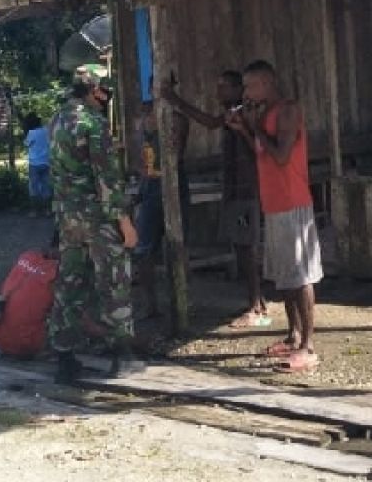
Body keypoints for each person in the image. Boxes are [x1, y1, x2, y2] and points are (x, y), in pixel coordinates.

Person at [226, 59, 323, 373]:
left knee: (301, 275)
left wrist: (254, 128)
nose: (247, 91)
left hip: (293, 202)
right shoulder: (264, 114)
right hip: (274, 203)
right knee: (285, 276)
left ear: (267, 83)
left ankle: (308, 347)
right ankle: (293, 335)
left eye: (251, 85)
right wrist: (245, 130)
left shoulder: (287, 111)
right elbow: (261, 151)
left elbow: (280, 155)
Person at [48, 63, 138, 383]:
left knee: (70, 283)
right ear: (94, 90)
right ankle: (121, 354)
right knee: (113, 282)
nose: (107, 96)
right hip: (98, 217)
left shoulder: (58, 119)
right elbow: (107, 180)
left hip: (68, 216)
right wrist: (125, 222)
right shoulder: (93, 123)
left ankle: (64, 356)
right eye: (105, 90)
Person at [161, 70, 269, 327]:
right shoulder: (234, 113)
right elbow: (211, 122)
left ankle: (256, 306)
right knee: (242, 246)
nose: (218, 93)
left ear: (237, 89)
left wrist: (177, 102)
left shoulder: (244, 112)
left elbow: (216, 126)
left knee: (248, 247)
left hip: (247, 190)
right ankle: (257, 301)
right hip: (235, 188)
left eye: (224, 87)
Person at [131, 79, 190, 320]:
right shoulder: (143, 119)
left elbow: (177, 152)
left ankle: (181, 302)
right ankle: (151, 304)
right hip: (151, 185)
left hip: (174, 183)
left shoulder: (177, 119)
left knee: (178, 246)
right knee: (145, 249)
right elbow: (137, 157)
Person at [22, 113, 52, 217]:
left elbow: (26, 144)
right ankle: (48, 210)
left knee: (34, 187)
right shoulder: (46, 130)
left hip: (34, 163)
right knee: (46, 186)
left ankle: (35, 211)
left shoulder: (31, 133)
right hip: (46, 161)